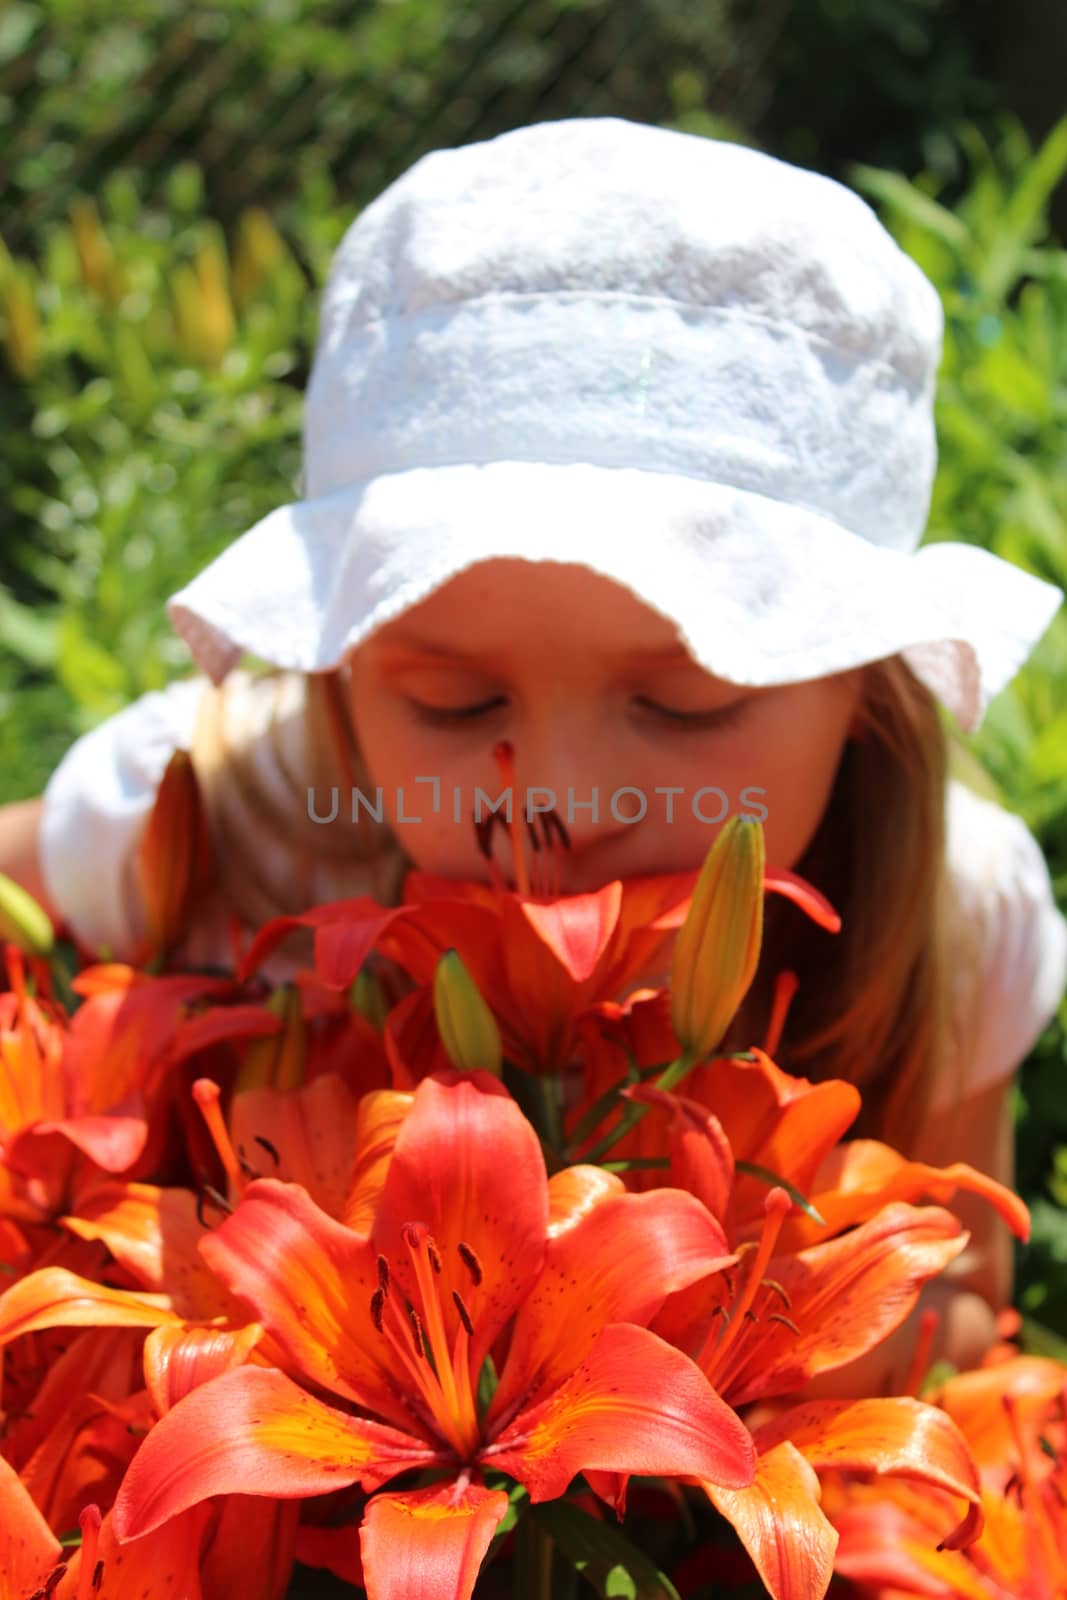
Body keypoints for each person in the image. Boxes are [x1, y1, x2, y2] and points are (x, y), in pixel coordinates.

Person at [1, 117, 1065, 1397]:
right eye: (453, 703)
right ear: (338, 665)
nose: (556, 799)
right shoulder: (233, 799)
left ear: (862, 688)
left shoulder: (956, 921)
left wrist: (711, 1384)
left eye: (682, 704)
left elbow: (959, 1289)